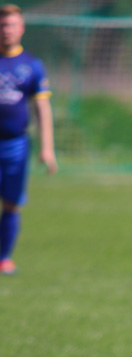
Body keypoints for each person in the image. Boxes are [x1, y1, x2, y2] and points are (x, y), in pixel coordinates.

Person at [0, 3, 57, 276]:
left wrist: (47, 148)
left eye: (11, 25)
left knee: (11, 202)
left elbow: (42, 107)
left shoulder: (32, 65)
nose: (6, 30)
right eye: (2, 25)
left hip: (16, 144)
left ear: (21, 29)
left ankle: (4, 258)